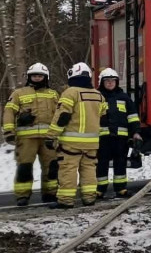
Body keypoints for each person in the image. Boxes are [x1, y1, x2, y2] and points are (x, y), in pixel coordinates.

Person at [45, 63, 107, 209]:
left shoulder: (70, 92)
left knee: (68, 169)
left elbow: (62, 117)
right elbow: (104, 117)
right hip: (92, 143)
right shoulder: (99, 95)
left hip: (71, 143)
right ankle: (89, 198)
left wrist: (51, 136)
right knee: (89, 169)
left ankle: (66, 200)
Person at [2, 63, 59, 206]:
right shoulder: (19, 93)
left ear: (45, 77)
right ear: (29, 77)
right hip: (26, 139)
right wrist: (9, 131)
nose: (37, 78)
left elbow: (60, 114)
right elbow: (9, 112)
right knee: (24, 167)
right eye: (34, 76)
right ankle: (22, 195)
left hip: (49, 138)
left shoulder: (53, 94)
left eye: (40, 76)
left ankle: (50, 194)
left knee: (51, 167)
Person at [96, 68, 141, 199]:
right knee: (101, 164)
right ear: (102, 82)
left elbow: (132, 116)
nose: (110, 83)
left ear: (116, 82)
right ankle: (100, 190)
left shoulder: (124, 97)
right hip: (102, 138)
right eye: (107, 81)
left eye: (112, 81)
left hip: (121, 139)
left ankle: (121, 189)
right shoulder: (97, 97)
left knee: (120, 163)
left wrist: (136, 132)